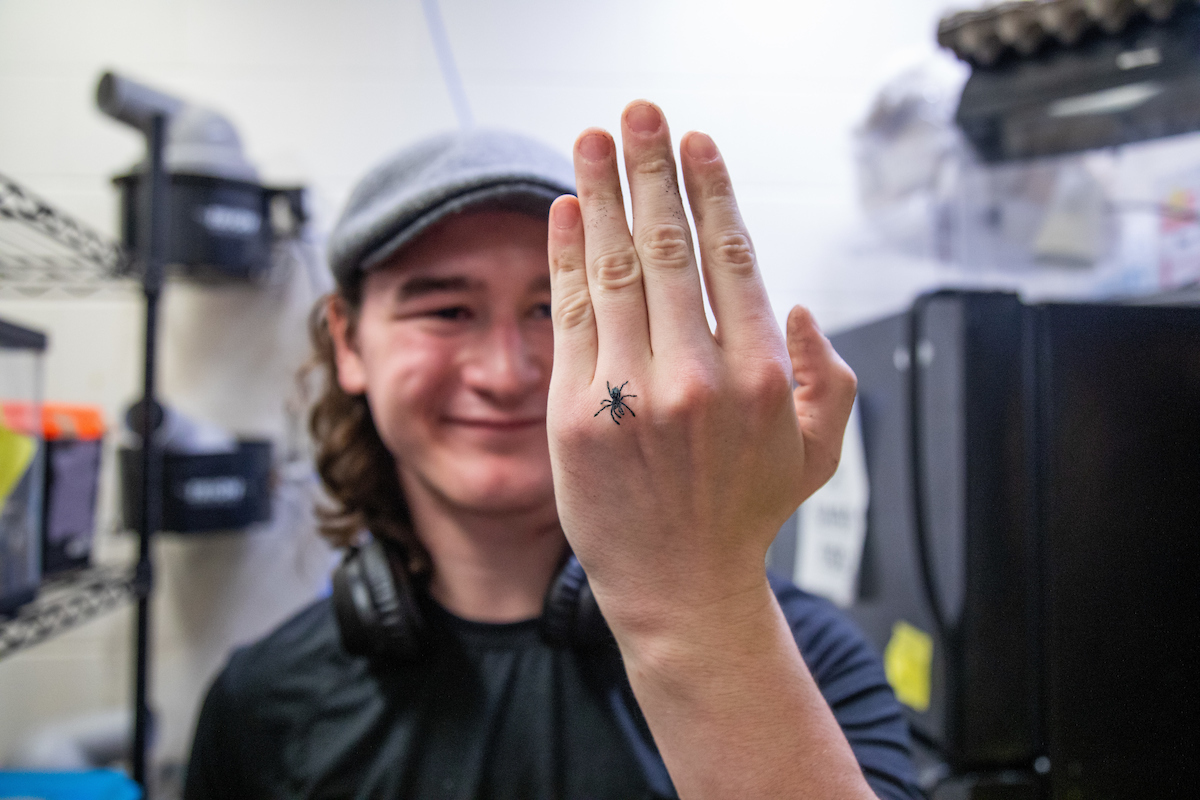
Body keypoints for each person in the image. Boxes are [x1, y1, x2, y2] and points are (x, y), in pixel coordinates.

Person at [184, 103, 921, 800]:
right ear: (348, 341)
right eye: (446, 310)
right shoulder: (262, 705)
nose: (504, 375)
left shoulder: (803, 660)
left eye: (549, 309)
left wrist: (698, 614)